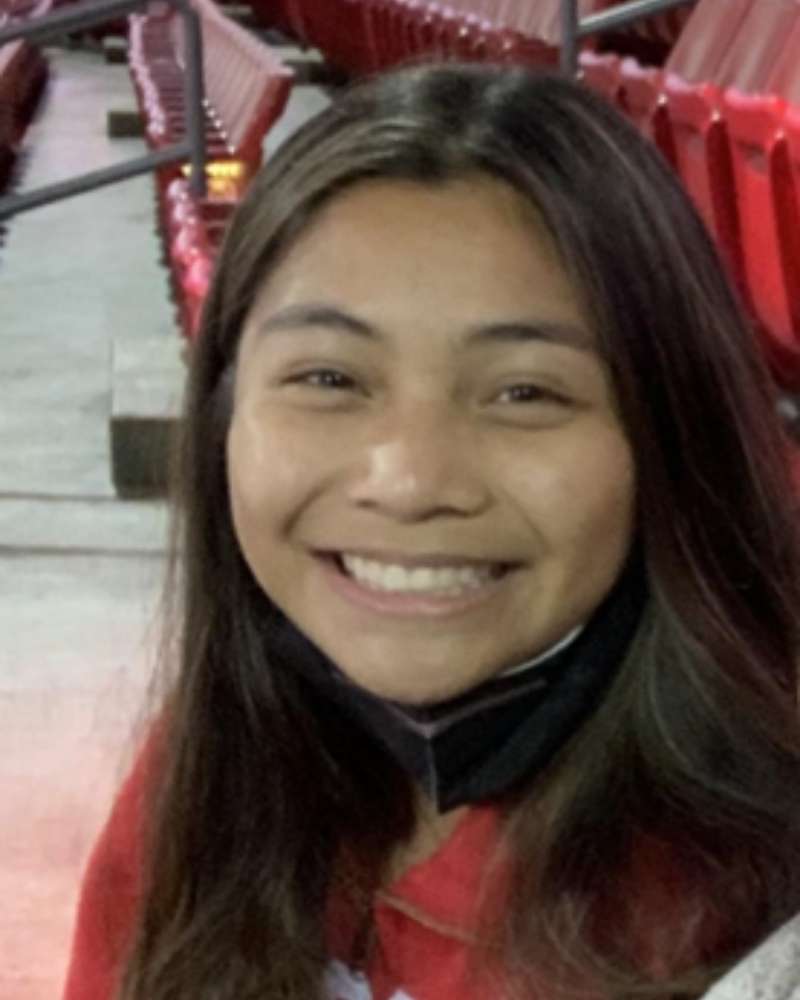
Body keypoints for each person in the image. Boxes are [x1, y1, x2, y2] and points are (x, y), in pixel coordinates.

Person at [62, 63, 800, 1000]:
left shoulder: (758, 920)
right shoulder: (209, 777)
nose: (409, 481)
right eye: (329, 378)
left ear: (665, 438)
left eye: (525, 392)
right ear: (223, 417)